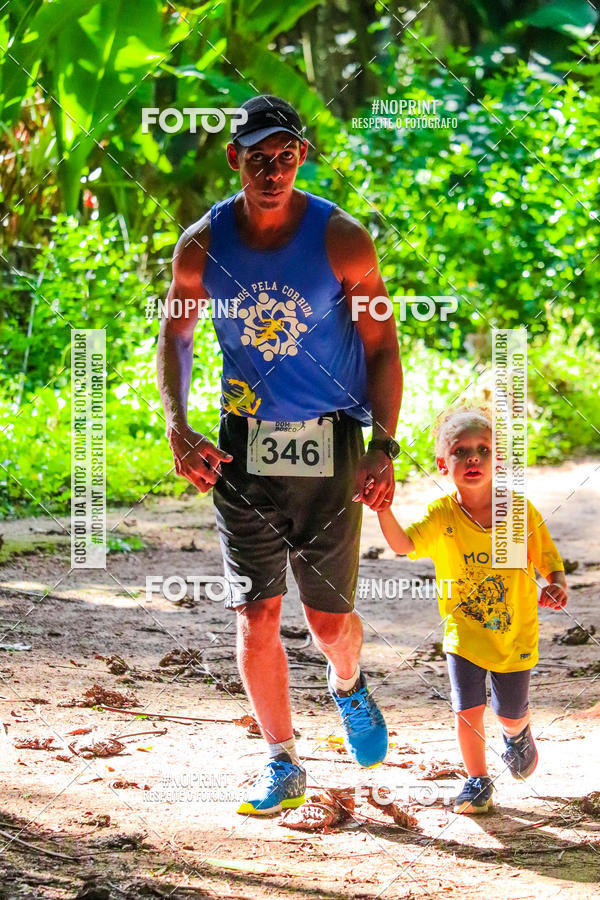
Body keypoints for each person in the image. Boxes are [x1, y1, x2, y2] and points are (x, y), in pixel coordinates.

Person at [157, 95, 403, 815]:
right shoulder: (202, 244)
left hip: (330, 443)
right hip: (244, 447)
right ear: (235, 158)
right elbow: (175, 335)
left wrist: (382, 445)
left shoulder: (344, 240)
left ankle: (349, 686)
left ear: (302, 158)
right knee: (255, 613)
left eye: (286, 156)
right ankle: (282, 760)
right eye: (258, 157)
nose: (272, 170)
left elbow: (383, 342)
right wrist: (179, 426)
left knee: (329, 624)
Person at [377, 404, 568, 814]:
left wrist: (555, 583)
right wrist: (383, 508)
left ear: (496, 459)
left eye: (482, 449)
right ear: (443, 465)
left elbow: (548, 558)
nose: (472, 458)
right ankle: (477, 781)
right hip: (462, 634)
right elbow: (403, 545)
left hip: (514, 635)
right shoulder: (442, 515)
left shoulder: (519, 512)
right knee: (467, 710)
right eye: (460, 451)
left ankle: (517, 734)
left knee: (510, 714)